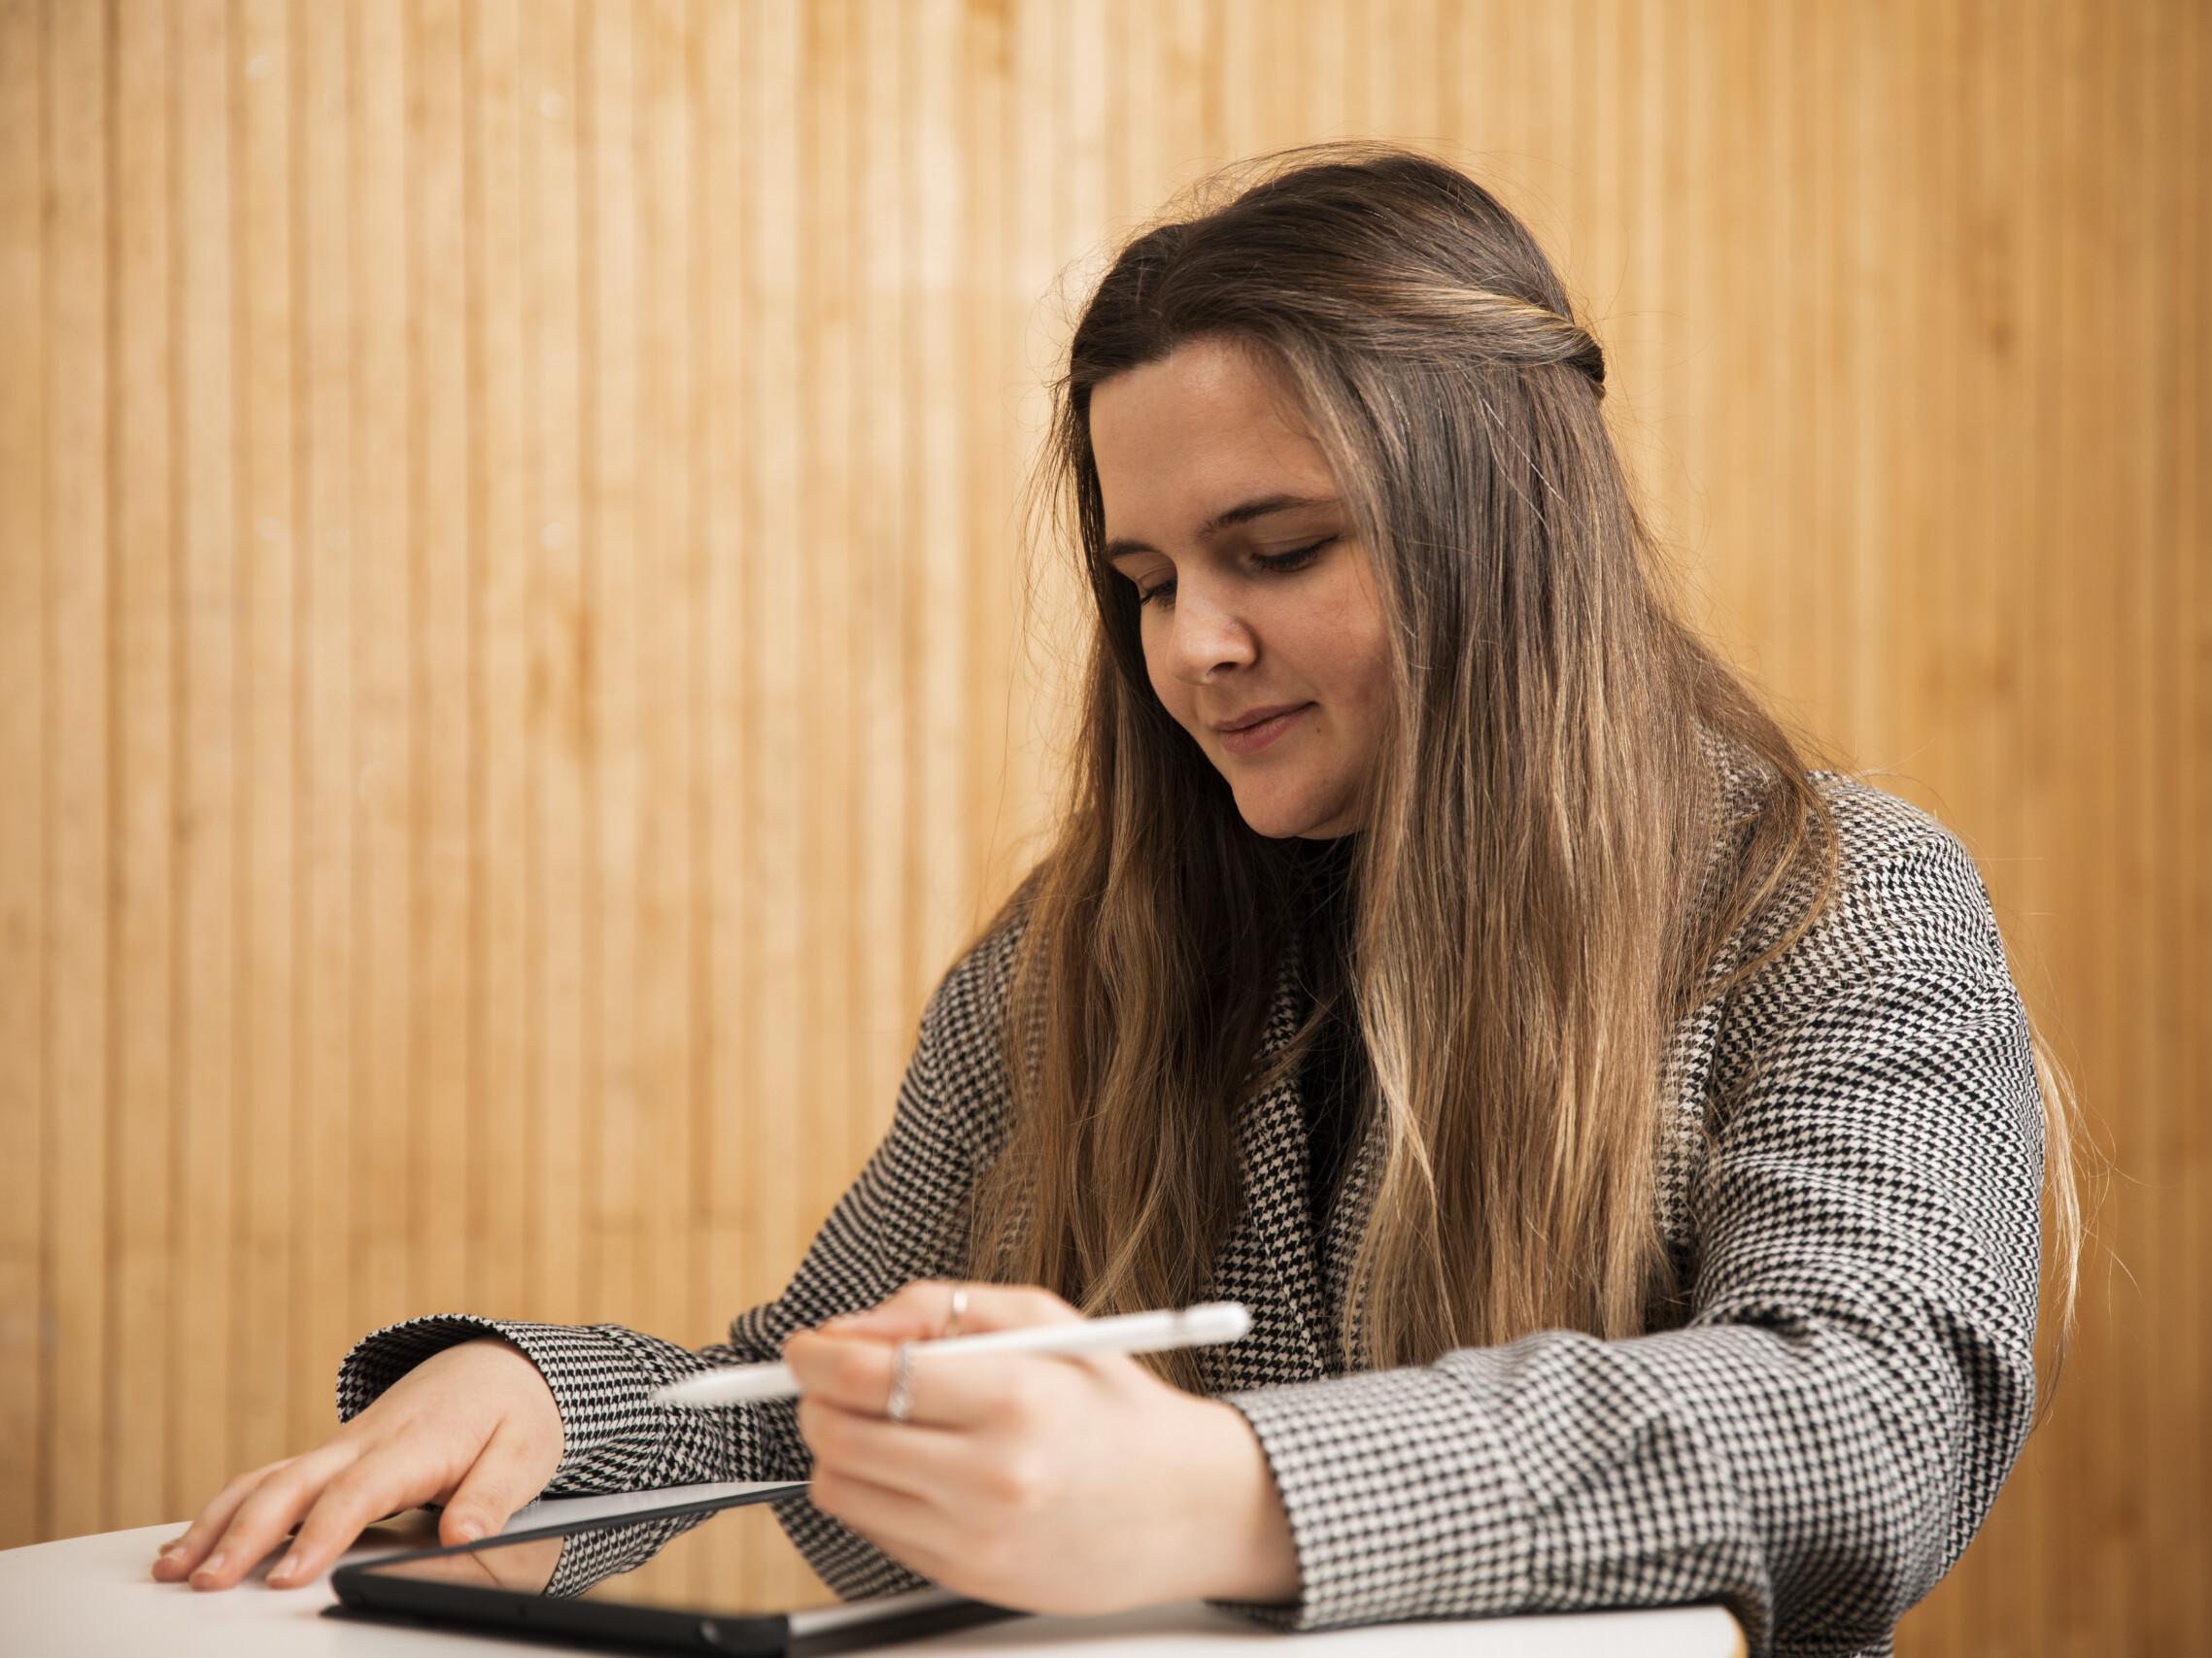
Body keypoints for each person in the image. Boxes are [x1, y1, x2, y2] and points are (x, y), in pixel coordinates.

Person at [155, 141, 2081, 1657]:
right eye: (1145, 578)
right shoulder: (1069, 956)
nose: (1196, 645)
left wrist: (1220, 1486)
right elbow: (840, 1383)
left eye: (1273, 548)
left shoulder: (1833, 897)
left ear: (1507, 524)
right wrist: (556, 1408)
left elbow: (1866, 1411)